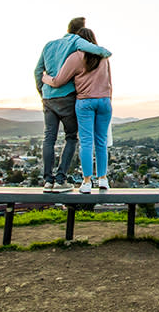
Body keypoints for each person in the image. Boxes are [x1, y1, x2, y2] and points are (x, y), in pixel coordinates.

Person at [34, 17, 111, 192]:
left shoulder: (52, 46)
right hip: (75, 98)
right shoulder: (83, 47)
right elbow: (108, 78)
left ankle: (50, 181)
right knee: (74, 137)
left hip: (53, 98)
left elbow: (41, 72)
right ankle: (64, 179)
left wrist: (43, 88)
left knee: (50, 138)